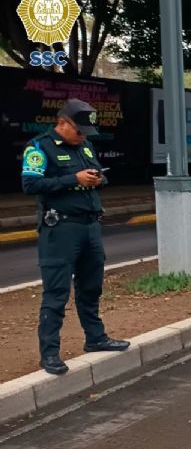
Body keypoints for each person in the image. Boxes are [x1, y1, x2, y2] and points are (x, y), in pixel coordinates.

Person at [21, 98, 130, 375]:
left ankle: (95, 338)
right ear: (63, 123)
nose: (83, 136)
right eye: (79, 130)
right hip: (61, 229)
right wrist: (74, 179)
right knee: (56, 293)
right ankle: (50, 354)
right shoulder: (38, 147)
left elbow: (99, 177)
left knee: (91, 287)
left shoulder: (85, 145)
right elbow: (30, 184)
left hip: (90, 227)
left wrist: (97, 179)